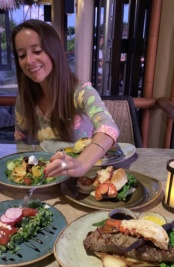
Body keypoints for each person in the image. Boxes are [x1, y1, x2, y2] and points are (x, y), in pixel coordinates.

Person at [11, 19, 120, 178]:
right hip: (43, 179)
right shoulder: (25, 97)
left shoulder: (81, 92)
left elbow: (109, 128)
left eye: (37, 51)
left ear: (53, 50)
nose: (29, 60)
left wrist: (81, 164)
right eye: (22, 55)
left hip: (81, 179)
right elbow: (20, 142)